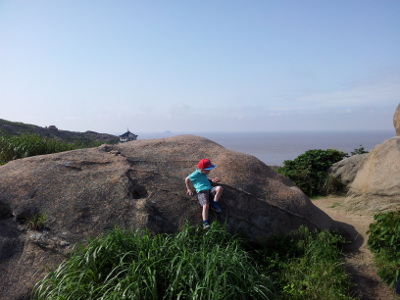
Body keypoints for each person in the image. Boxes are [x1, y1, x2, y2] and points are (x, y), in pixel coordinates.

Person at [185, 158, 223, 229]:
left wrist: (212, 179)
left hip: (209, 189)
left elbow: (205, 177)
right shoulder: (195, 174)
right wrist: (189, 188)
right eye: (208, 169)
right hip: (202, 192)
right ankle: (205, 223)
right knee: (205, 205)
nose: (209, 171)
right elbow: (187, 179)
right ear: (202, 169)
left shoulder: (203, 173)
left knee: (219, 188)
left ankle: (214, 203)